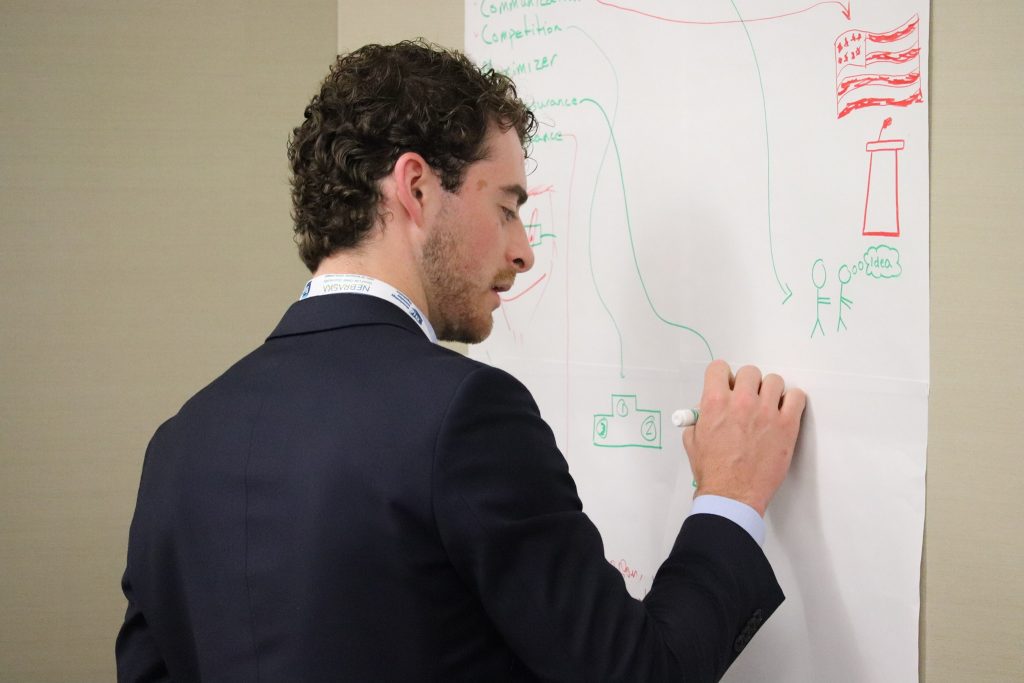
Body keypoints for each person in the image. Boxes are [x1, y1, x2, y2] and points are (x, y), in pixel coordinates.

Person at [116, 40, 806, 682]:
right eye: (507, 207)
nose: (523, 250)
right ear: (416, 188)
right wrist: (731, 496)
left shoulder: (179, 444)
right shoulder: (464, 416)